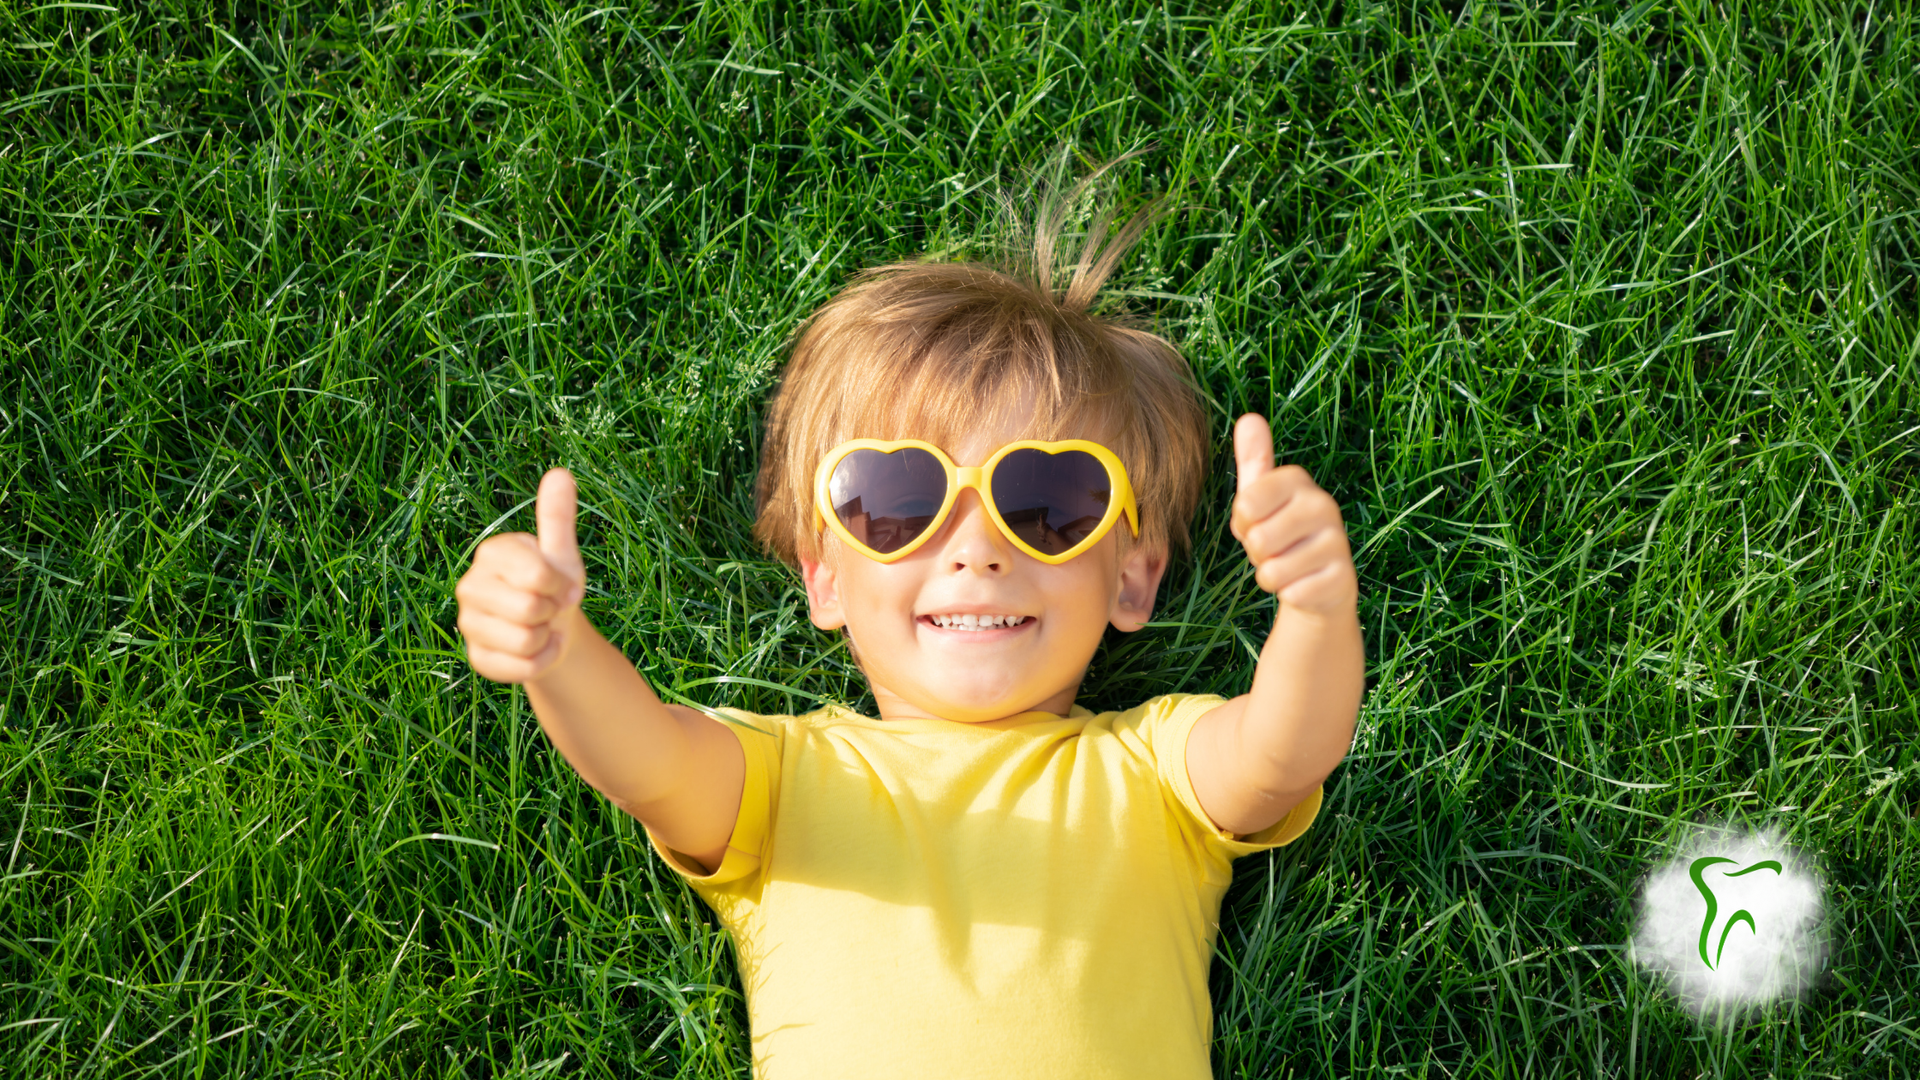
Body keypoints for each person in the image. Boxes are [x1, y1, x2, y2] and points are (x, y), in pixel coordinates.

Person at [453, 166, 1364, 1079]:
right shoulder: (784, 781)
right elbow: (642, 758)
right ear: (826, 581)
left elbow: (1286, 751)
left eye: (1046, 501)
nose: (975, 550)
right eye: (896, 501)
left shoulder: (1153, 768)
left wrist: (1318, 607)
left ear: (1134, 577)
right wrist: (560, 655)